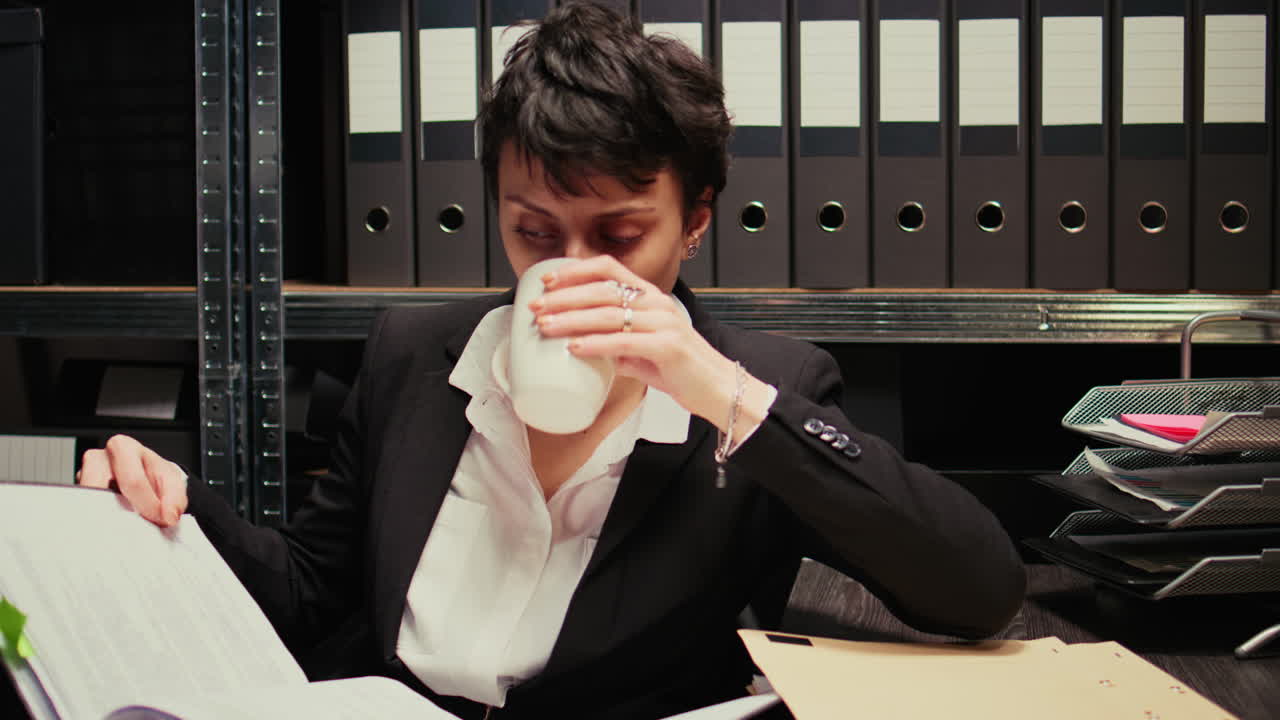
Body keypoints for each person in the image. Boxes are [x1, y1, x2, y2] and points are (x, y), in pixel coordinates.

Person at [79, 3, 1026, 718]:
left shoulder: (762, 391)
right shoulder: (416, 357)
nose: (573, 274)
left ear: (694, 222)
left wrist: (720, 391)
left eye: (620, 234)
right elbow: (309, 591)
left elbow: (978, 589)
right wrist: (172, 505)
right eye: (534, 231)